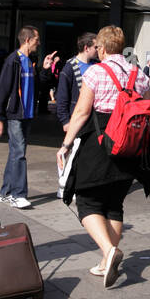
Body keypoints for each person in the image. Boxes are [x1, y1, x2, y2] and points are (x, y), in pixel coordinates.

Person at [57, 25, 150, 289]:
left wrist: (65, 144)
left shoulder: (95, 72)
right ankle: (107, 262)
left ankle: (108, 252)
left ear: (103, 48)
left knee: (87, 201)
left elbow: (82, 112)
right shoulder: (139, 75)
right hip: (130, 147)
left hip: (99, 144)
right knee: (114, 204)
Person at [0, 25, 40, 209]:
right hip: (14, 114)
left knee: (15, 154)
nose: (39, 43)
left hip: (26, 114)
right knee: (19, 154)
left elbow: (35, 85)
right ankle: (18, 194)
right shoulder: (13, 61)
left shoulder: (30, 61)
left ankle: (5, 192)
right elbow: (2, 88)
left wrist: (46, 70)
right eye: (36, 40)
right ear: (27, 40)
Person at [55, 32, 99, 198]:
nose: (98, 49)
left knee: (80, 154)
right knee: (69, 153)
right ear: (86, 48)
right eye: (96, 47)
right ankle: (64, 185)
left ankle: (74, 185)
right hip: (75, 118)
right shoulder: (70, 67)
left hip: (90, 119)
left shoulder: (96, 65)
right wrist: (65, 120)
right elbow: (62, 97)